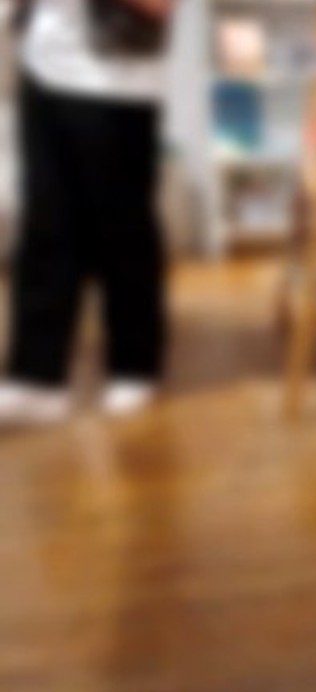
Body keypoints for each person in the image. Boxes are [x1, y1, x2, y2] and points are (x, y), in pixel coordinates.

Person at [1, 0, 173, 426]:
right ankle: (37, 376)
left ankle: (134, 366)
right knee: (45, 229)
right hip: (43, 69)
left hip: (116, 83)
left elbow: (158, 7)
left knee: (123, 234)